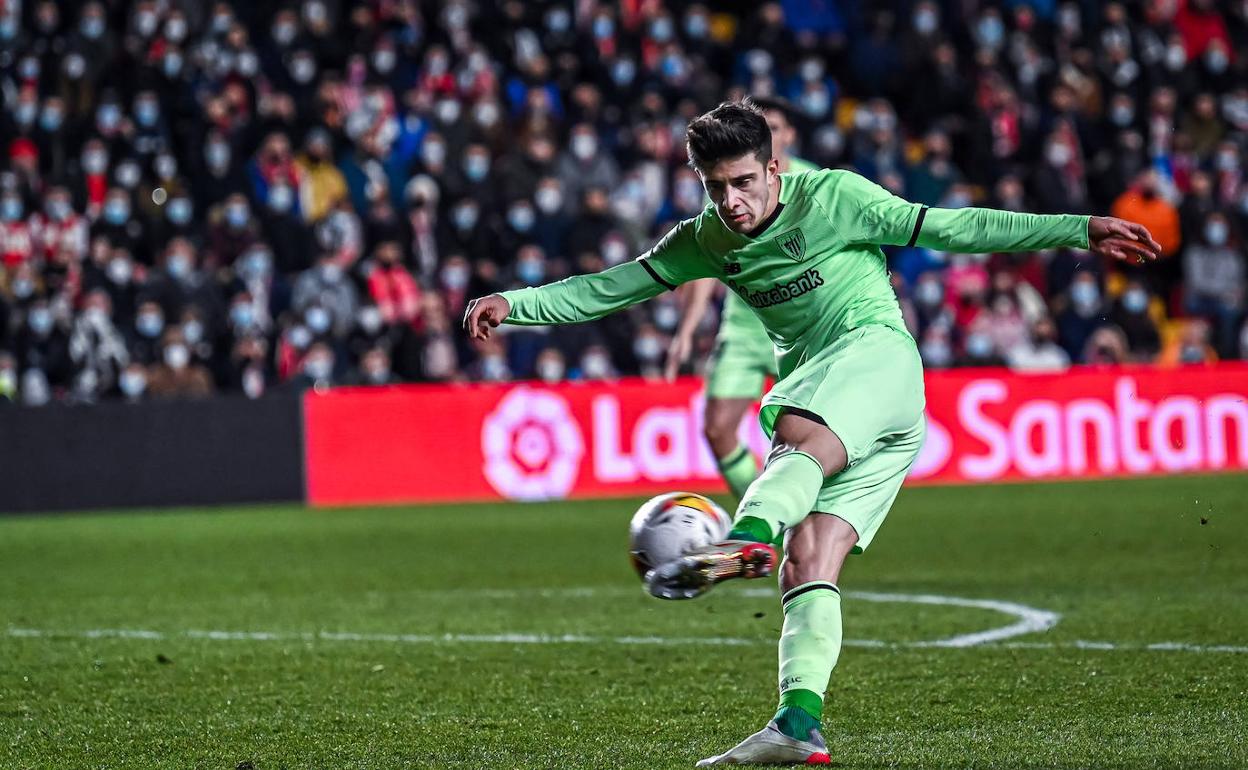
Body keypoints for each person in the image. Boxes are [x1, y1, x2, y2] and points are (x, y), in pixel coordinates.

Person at [464, 99, 1160, 766]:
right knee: (807, 560)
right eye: (715, 187)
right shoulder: (706, 239)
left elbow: (956, 228)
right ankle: (797, 723)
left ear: (774, 168)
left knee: (798, 442)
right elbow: (608, 288)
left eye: (744, 182)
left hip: (874, 357)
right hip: (867, 410)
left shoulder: (835, 197)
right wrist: (513, 303)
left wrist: (1079, 229)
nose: (731, 201)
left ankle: (746, 534)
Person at [664, 96, 820, 503]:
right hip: (744, 327)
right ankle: (763, 513)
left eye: (775, 128)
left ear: (790, 136)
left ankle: (792, 515)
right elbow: (705, 267)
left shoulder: (814, 183)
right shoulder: (727, 192)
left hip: (803, 330)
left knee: (802, 440)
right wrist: (686, 330)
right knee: (717, 429)